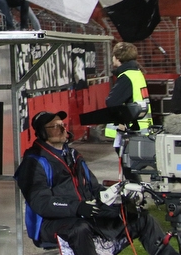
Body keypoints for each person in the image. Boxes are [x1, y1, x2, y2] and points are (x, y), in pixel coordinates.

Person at [15, 110, 178, 255]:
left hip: (85, 214)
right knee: (80, 228)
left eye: (62, 124)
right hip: (50, 224)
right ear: (42, 133)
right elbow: (41, 203)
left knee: (141, 218)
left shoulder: (73, 155)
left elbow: (95, 189)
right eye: (55, 126)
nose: (63, 128)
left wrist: (119, 197)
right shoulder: (34, 162)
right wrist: (77, 207)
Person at [105, 42, 152, 141]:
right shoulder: (137, 73)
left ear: (118, 58)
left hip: (132, 130)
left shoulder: (126, 76)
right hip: (142, 126)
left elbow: (112, 102)